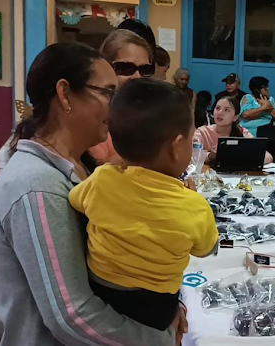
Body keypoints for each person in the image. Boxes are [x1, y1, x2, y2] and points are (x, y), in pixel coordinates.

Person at [0, 42, 181, 345]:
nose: (116, 108)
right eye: (107, 93)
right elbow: (72, 317)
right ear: (65, 95)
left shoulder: (81, 164)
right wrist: (159, 338)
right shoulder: (37, 187)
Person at [69, 78, 219, 332]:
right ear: (175, 147)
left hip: (101, 294)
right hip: (156, 308)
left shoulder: (102, 179)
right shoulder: (193, 205)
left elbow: (75, 200)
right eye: (191, 142)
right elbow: (207, 249)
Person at [89, 29, 154, 165]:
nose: (137, 76)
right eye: (125, 68)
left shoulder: (151, 116)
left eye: (145, 70)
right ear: (105, 67)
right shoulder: (92, 115)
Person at [194, 96, 273, 164]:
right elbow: (193, 155)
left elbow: (267, 157)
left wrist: (238, 156)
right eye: (217, 108)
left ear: (235, 117)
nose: (220, 113)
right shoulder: (202, 132)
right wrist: (210, 156)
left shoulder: (242, 132)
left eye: (227, 110)